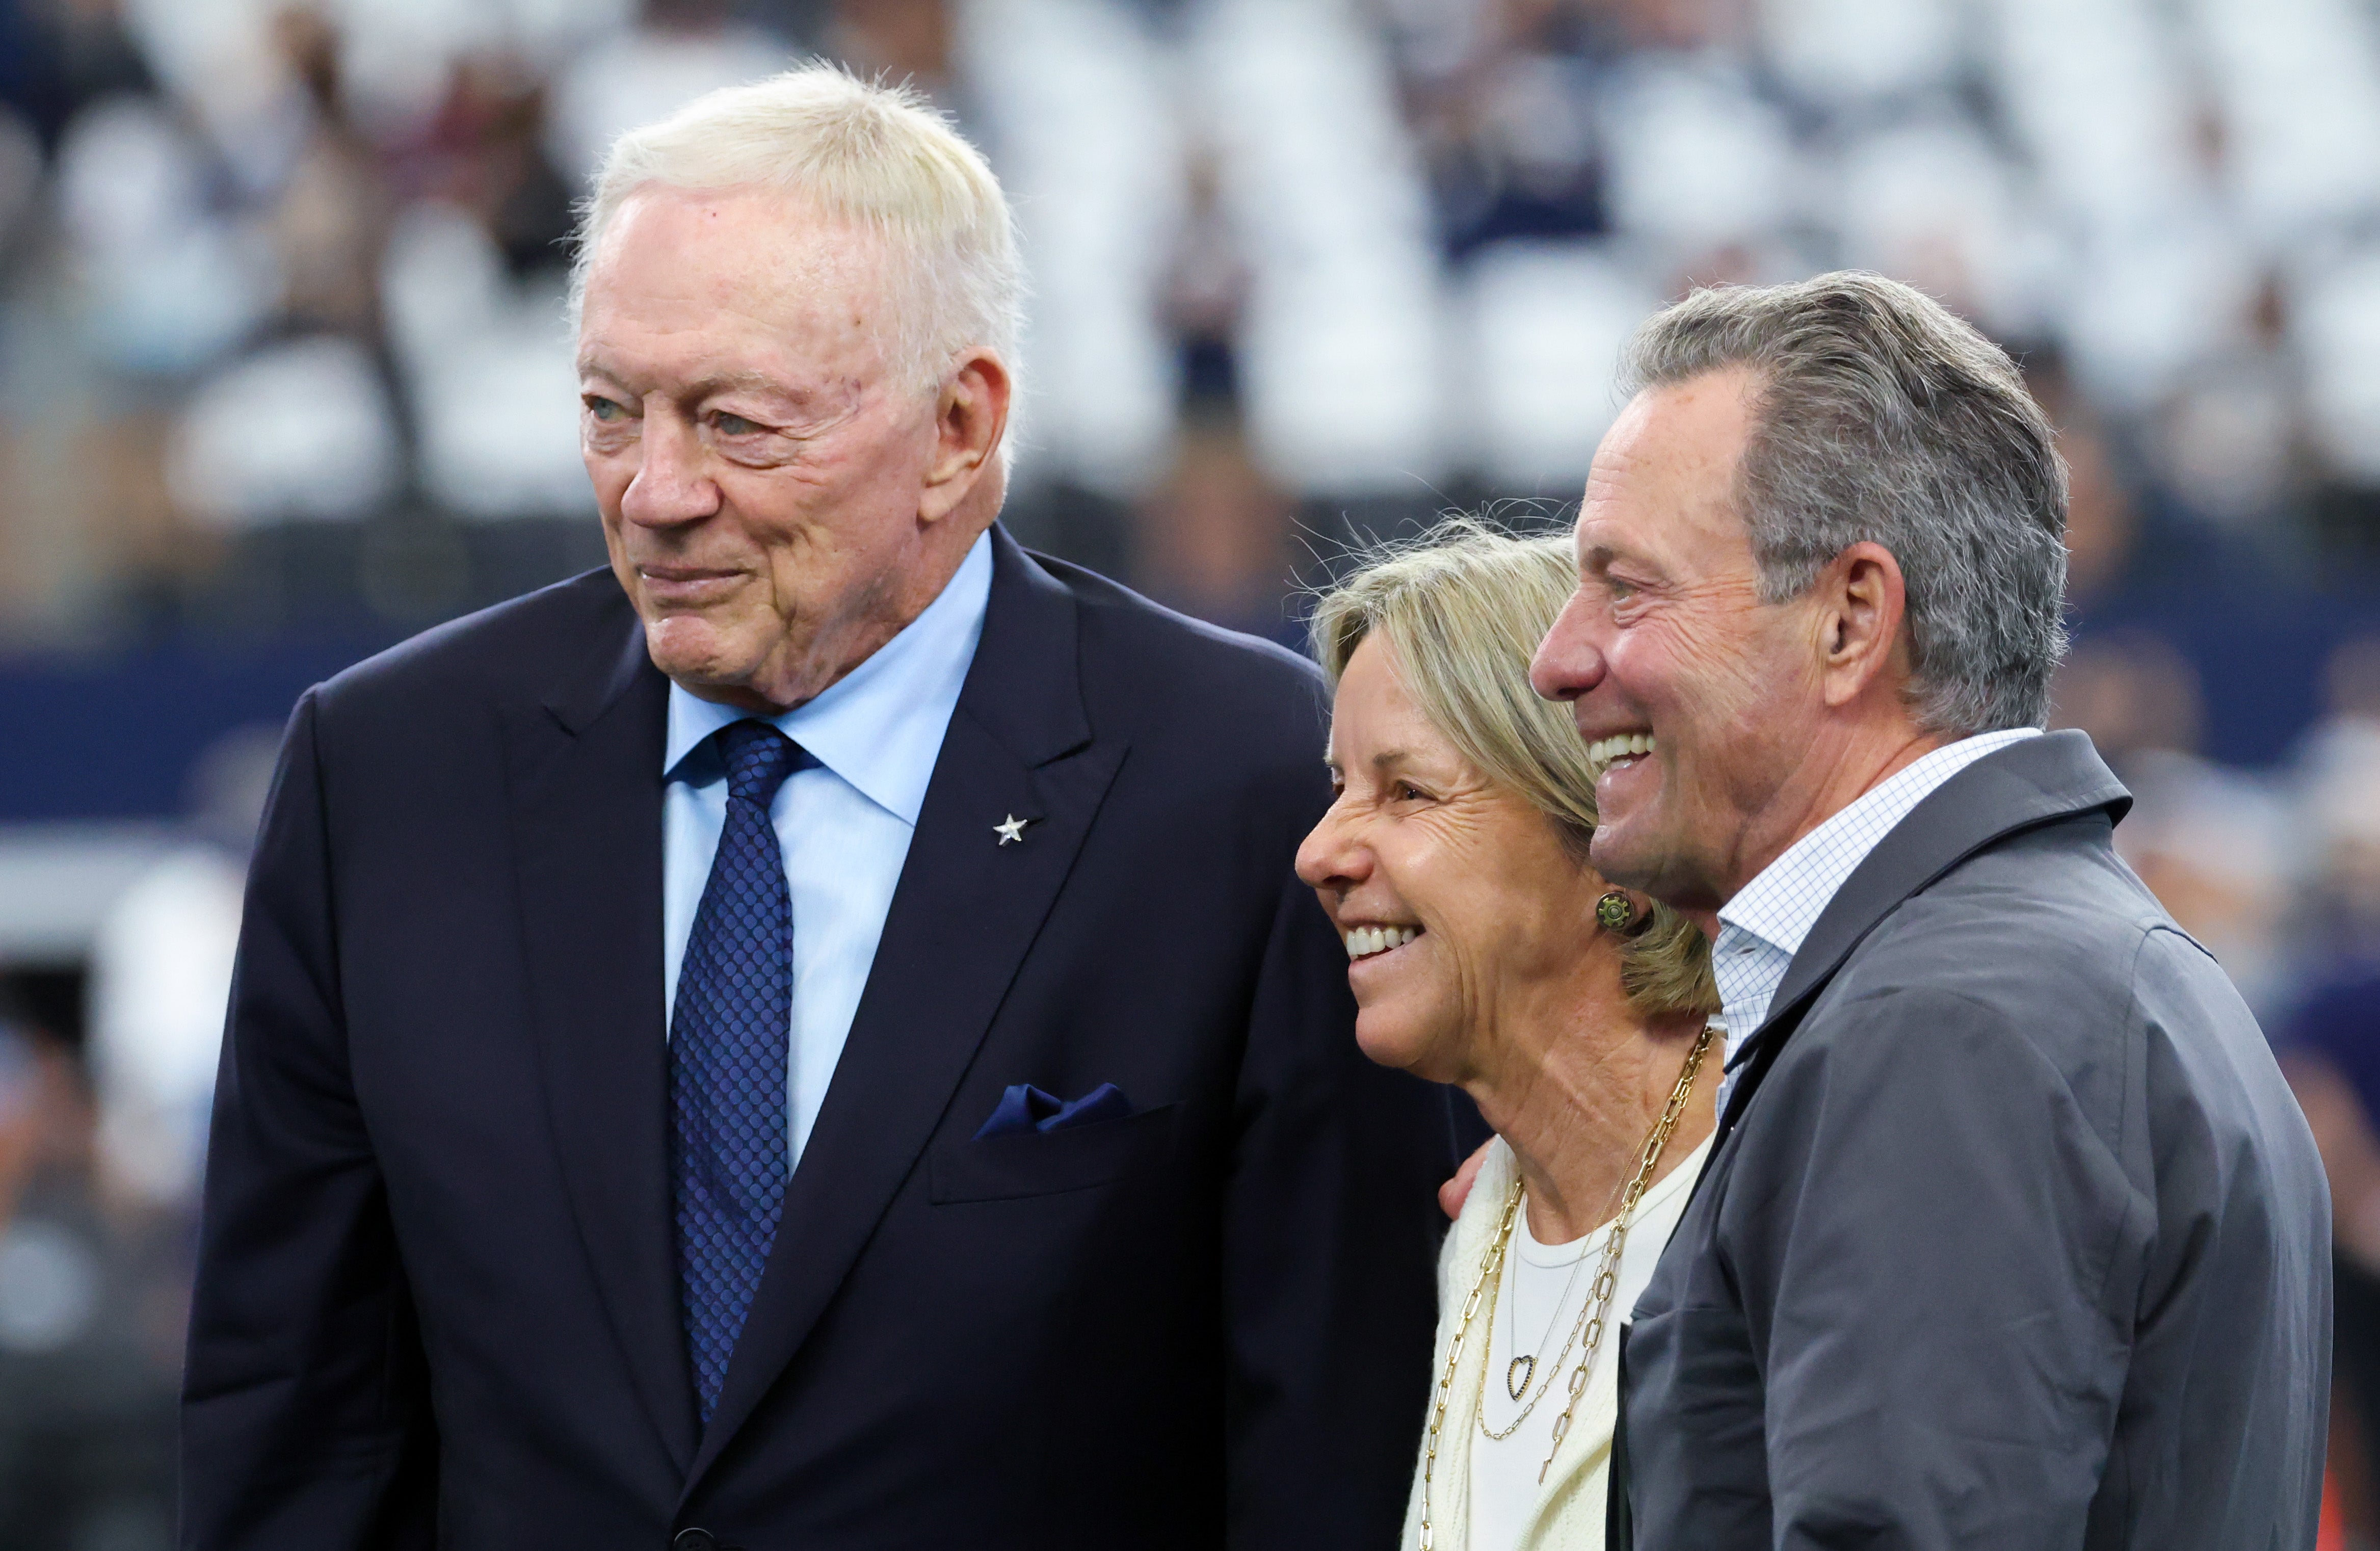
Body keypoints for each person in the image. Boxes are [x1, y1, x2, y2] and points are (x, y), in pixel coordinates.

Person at [180, 68, 1451, 1549]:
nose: (654, 490)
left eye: (735, 423)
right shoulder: (387, 774)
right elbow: (295, 1418)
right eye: (611, 410)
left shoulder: (1239, 775)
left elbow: (1333, 1433)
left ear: (960, 428)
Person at [1526, 272, 2331, 1549]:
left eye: (1628, 588)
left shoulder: (1950, 1022)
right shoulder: (2047, 970)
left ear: (1850, 619)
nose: (1559, 658)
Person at [1295, 526, 1721, 1551]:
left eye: (1407, 791)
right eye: (1338, 787)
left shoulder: (1779, 1181)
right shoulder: (1484, 1216)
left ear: (1609, 834)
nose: (1320, 853)